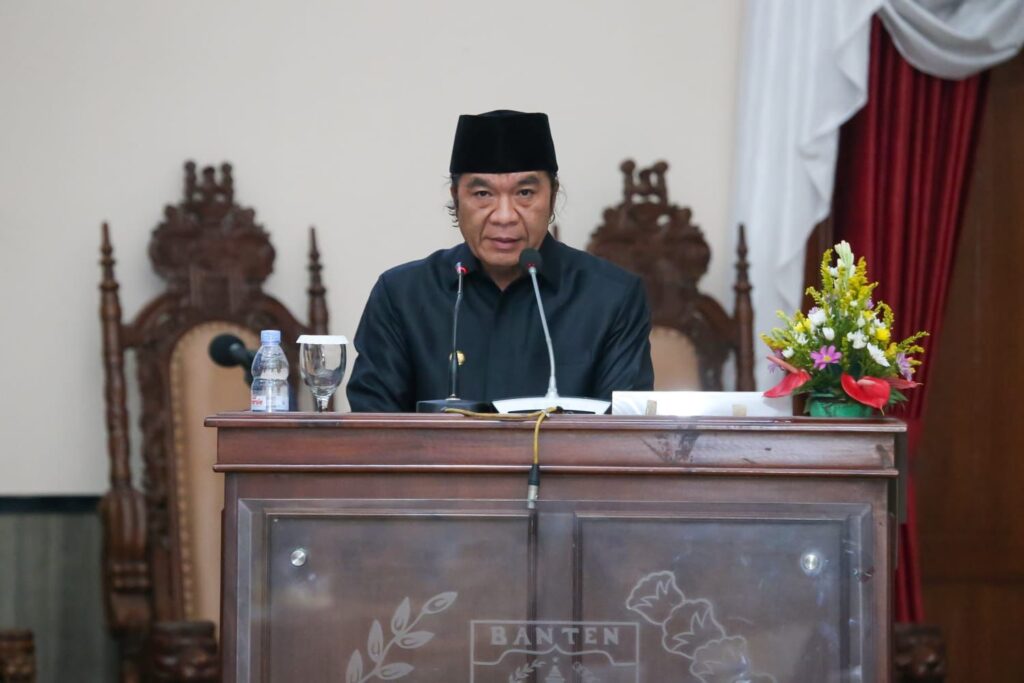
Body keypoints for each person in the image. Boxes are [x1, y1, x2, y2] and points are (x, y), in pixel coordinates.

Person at [347, 110, 653, 412]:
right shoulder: (402, 295)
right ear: (456, 197)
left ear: (552, 196)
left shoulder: (611, 297)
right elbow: (373, 428)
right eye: (483, 194)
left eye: (525, 193)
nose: (504, 216)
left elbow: (622, 432)